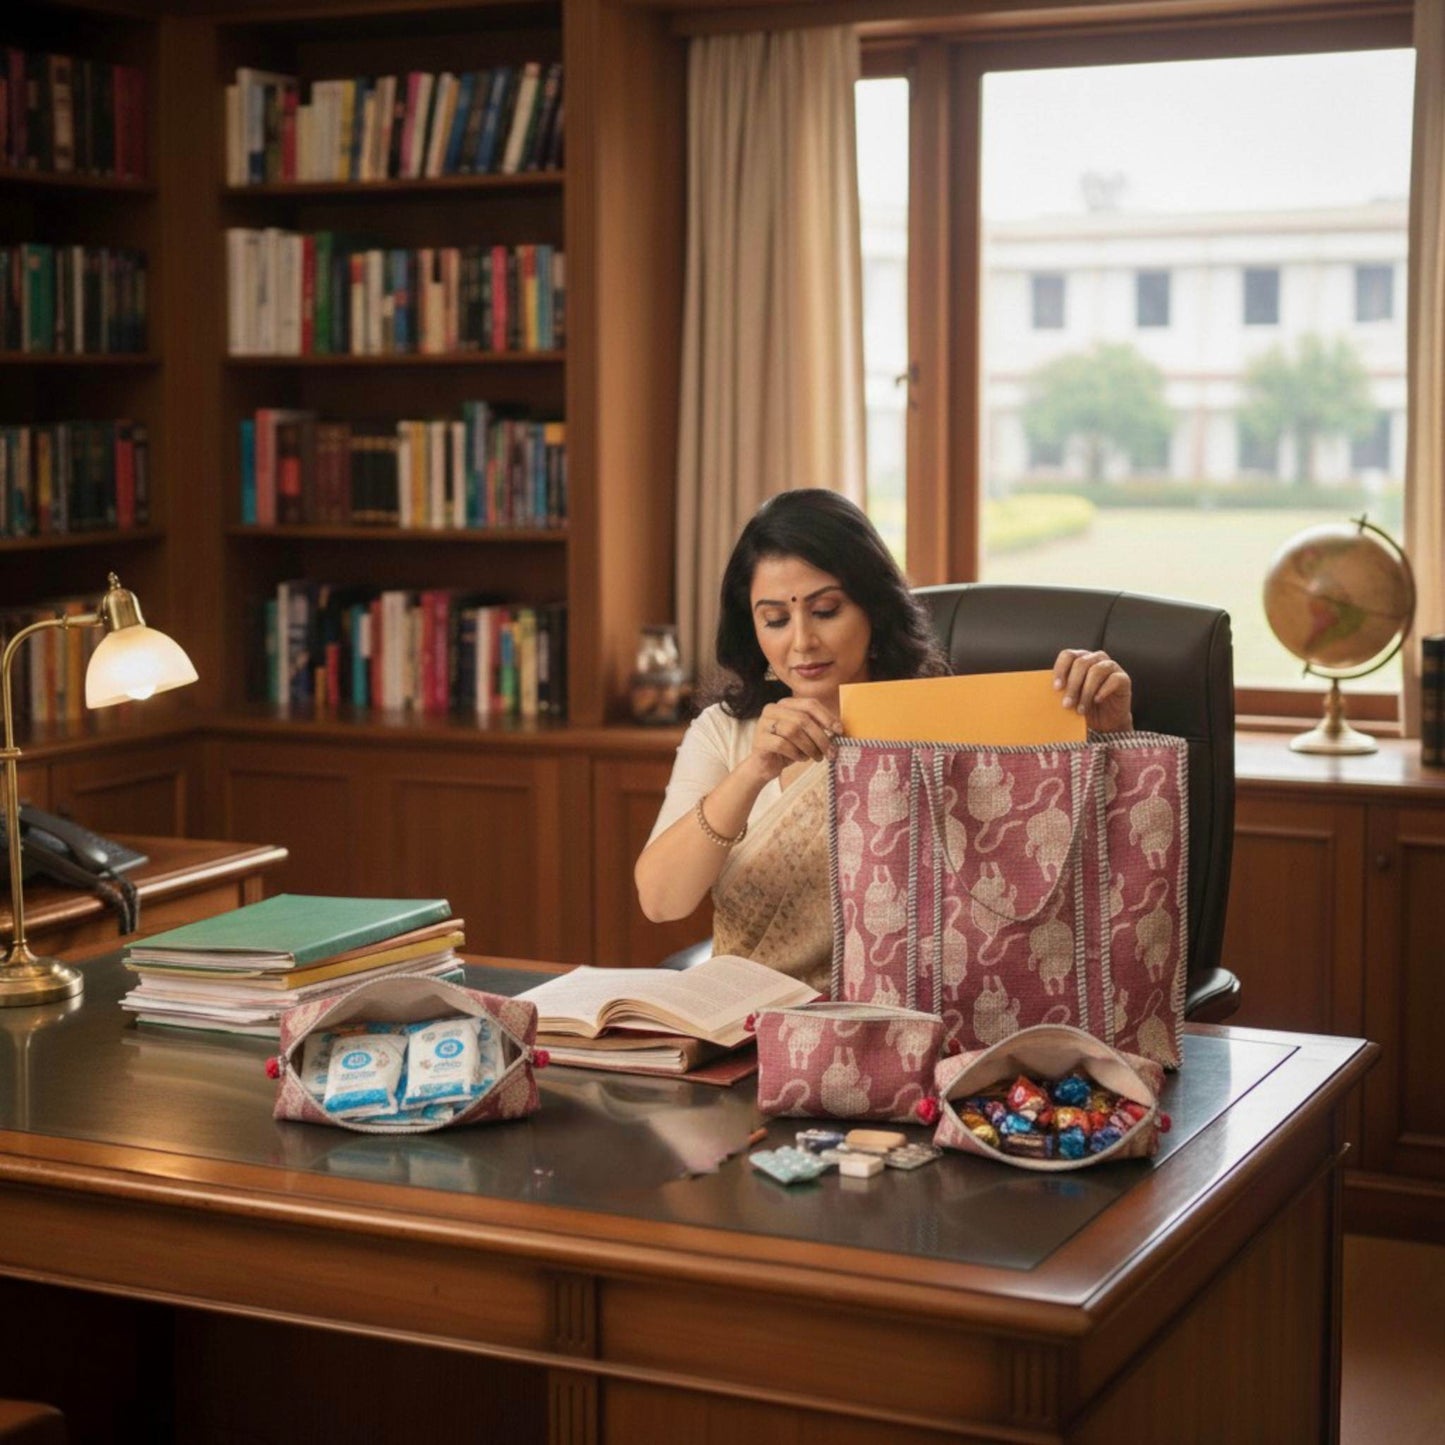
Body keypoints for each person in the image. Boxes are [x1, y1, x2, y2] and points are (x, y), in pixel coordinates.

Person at [634, 489, 1133, 992]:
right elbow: (660, 901)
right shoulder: (726, 730)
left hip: (915, 1022)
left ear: (873, 610)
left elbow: (1063, 875)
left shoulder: (941, 722)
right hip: (748, 1030)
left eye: (826, 611)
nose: (802, 641)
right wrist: (755, 770)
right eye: (777, 620)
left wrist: (1111, 731)